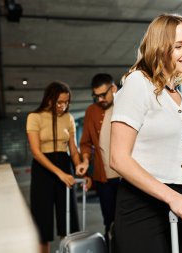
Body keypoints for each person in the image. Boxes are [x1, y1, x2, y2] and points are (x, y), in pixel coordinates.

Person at [109, 14, 182, 253]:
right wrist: (171, 198)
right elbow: (118, 158)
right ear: (160, 48)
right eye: (178, 46)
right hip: (142, 205)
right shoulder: (138, 83)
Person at [26, 81, 85, 253]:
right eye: (59, 102)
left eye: (66, 102)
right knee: (41, 222)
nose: (63, 106)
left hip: (64, 165)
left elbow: (73, 149)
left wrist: (79, 165)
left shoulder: (68, 118)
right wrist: (59, 173)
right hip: (42, 168)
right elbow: (36, 152)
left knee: (68, 221)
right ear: (49, 100)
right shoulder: (34, 117)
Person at [78, 73, 120, 246]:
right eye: (97, 96)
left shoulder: (126, 105)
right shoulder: (91, 111)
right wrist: (85, 161)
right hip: (104, 178)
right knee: (109, 220)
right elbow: (86, 143)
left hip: (128, 177)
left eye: (104, 94)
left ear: (114, 88)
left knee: (127, 220)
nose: (101, 99)